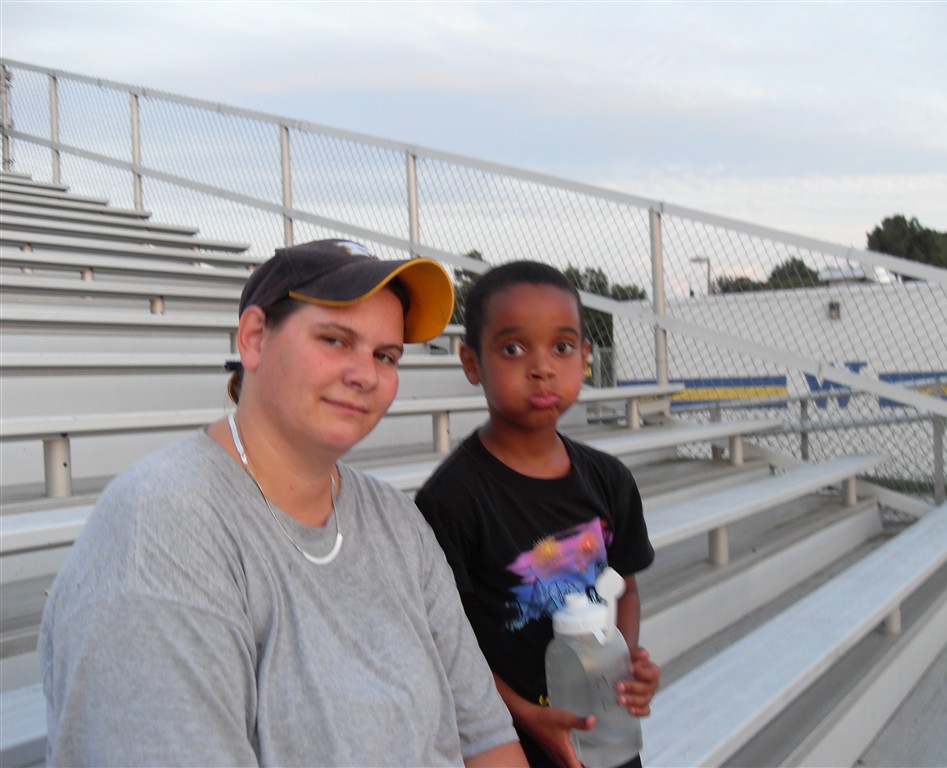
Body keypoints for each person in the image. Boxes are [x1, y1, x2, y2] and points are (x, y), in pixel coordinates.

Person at [39, 239, 527, 767]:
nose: (366, 374)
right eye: (335, 340)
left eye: (385, 356)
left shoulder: (396, 520)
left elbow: (484, 734)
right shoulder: (162, 525)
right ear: (254, 338)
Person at [415, 261, 660, 768]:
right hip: (509, 742)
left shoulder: (609, 480)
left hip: (603, 736)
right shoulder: (450, 501)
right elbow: (444, 644)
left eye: (562, 347)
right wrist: (527, 715)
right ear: (471, 362)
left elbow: (627, 589)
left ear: (585, 357)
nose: (542, 367)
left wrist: (622, 667)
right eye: (513, 349)